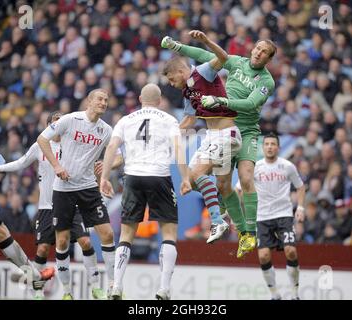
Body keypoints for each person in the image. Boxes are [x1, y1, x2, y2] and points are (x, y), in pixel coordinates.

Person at [162, 33, 276, 257]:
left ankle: (249, 232)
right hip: (219, 132)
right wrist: (177, 46)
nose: (258, 53)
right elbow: (204, 55)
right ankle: (238, 227)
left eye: (264, 52)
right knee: (224, 186)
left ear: (268, 59)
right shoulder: (237, 62)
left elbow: (251, 103)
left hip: (245, 131)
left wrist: (221, 101)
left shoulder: (266, 81)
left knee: (244, 178)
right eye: (257, 48)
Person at [0, 112, 106, 300]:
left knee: (86, 242)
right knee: (43, 249)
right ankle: (39, 291)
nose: (60, 126)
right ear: (49, 125)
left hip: (71, 204)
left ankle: (95, 287)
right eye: (56, 122)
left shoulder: (74, 144)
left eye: (62, 122)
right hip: (47, 207)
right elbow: (21, 163)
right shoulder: (40, 145)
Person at [100, 84, 192, 300]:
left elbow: (112, 148)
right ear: (160, 101)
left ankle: (116, 286)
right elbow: (178, 150)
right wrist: (185, 178)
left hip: (132, 177)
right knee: (168, 233)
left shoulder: (126, 120)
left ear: (140, 98)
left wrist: (104, 177)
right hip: (159, 176)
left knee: (125, 235)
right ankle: (163, 288)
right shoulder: (169, 120)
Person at [162, 30, 244, 246]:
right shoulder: (187, 93)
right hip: (213, 137)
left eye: (171, 79)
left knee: (197, 173)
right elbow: (189, 120)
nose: (171, 84)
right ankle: (222, 208)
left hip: (227, 135)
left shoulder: (202, 72)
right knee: (196, 179)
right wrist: (170, 132)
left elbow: (224, 58)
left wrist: (207, 41)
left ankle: (217, 220)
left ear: (181, 71)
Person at [37, 89, 116, 300]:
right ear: (89, 101)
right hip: (63, 190)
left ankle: (113, 286)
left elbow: (118, 156)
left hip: (89, 188)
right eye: (100, 99)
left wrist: (106, 169)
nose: (104, 102)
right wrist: (56, 166)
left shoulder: (106, 130)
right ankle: (67, 292)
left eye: (106, 100)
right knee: (61, 242)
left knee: (107, 234)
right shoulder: (70, 119)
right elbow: (42, 140)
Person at [0, 137, 55, 291]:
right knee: (2, 234)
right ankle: (34, 276)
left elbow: (1, 167)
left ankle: (34, 276)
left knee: (2, 234)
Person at [253, 133, 305, 300]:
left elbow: (301, 187)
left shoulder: (287, 166)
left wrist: (301, 207)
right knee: (263, 256)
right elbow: (241, 189)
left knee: (290, 251)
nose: (269, 146)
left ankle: (295, 293)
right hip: (262, 217)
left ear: (278, 147)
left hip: (284, 215)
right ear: (263, 147)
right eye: (266, 144)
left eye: (272, 144)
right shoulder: (255, 167)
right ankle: (275, 295)